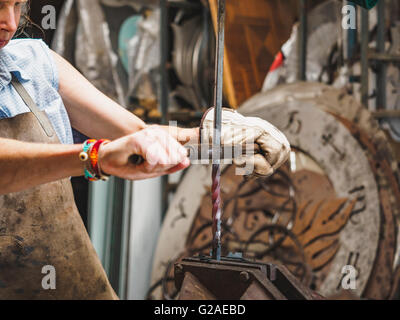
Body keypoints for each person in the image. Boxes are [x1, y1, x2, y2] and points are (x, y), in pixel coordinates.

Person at [0, 0, 290, 299]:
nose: (10, 21)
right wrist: (95, 157)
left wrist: (219, 142)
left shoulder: (36, 64)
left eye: (18, 5)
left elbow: (137, 134)